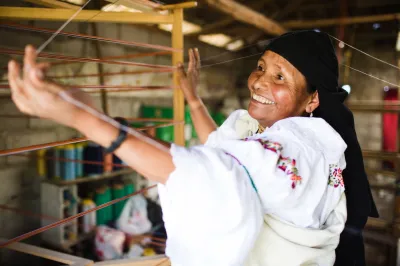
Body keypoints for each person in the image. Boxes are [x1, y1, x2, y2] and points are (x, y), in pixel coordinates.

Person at [7, 30, 377, 266]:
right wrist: (194, 102)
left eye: (280, 77)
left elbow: (215, 174)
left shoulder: (301, 149)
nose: (260, 82)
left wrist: (85, 118)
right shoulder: (277, 132)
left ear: (313, 99)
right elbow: (223, 150)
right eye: (261, 67)